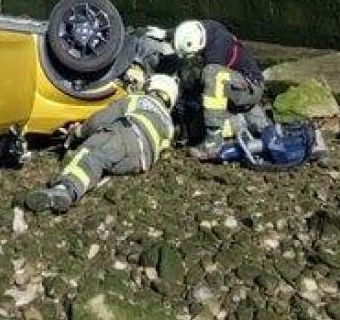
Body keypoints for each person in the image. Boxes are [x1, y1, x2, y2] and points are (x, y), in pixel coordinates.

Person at [24, 74, 178, 213]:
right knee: (102, 163)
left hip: (125, 135)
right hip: (140, 162)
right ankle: (85, 183)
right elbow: (162, 150)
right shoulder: (169, 124)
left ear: (151, 86)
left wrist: (79, 132)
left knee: (89, 155)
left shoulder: (139, 99)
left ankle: (65, 189)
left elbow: (103, 118)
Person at [171, 19, 268, 161]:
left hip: (249, 86)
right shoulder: (205, 29)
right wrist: (167, 33)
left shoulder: (216, 50)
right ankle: (255, 125)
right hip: (240, 86)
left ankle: (214, 140)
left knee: (211, 74)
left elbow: (214, 85)